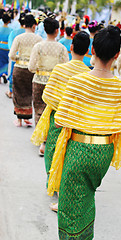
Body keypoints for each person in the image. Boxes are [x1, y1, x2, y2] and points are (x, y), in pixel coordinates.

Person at [47, 26, 121, 239]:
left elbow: (59, 121)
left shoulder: (78, 82)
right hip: (103, 153)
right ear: (117, 55)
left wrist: (84, 117)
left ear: (93, 51)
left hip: (78, 149)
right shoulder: (120, 87)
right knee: (87, 196)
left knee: (69, 204)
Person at [31, 31, 90, 195]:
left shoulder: (59, 69)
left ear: (71, 47)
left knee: (52, 149)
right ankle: (64, 182)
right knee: (70, 152)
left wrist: (61, 106)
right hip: (77, 121)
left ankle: (52, 181)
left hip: (56, 117)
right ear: (87, 51)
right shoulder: (88, 74)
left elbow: (47, 95)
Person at [28, 16, 69, 155]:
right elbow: (65, 68)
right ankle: (48, 140)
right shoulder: (62, 49)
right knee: (51, 111)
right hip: (55, 83)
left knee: (39, 109)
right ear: (57, 31)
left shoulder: (38, 46)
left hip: (39, 80)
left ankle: (40, 138)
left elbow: (31, 67)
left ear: (44, 30)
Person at [9, 14, 42, 127]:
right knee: (29, 93)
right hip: (32, 70)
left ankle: (19, 120)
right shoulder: (38, 39)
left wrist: (19, 58)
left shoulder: (19, 38)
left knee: (18, 93)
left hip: (19, 68)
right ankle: (28, 117)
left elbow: (12, 55)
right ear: (34, 26)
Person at [6, 12, 26, 98]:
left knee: (13, 74)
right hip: (25, 58)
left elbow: (10, 46)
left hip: (16, 57)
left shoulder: (14, 33)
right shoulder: (29, 34)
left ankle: (11, 92)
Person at [0, 11, 12, 83]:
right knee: (5, 62)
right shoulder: (11, 30)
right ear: (9, 21)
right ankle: (4, 73)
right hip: (6, 47)